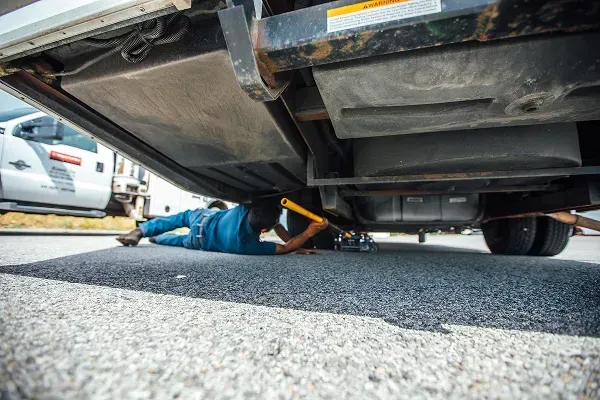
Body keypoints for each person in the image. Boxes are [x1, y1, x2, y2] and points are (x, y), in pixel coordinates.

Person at [116, 201, 329, 255]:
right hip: (199, 241)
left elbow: (285, 240)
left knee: (178, 219)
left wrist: (292, 244)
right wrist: (309, 233)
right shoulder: (245, 245)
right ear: (264, 232)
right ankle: (157, 240)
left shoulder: (245, 209)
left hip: (203, 218)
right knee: (178, 240)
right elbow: (285, 248)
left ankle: (142, 232)